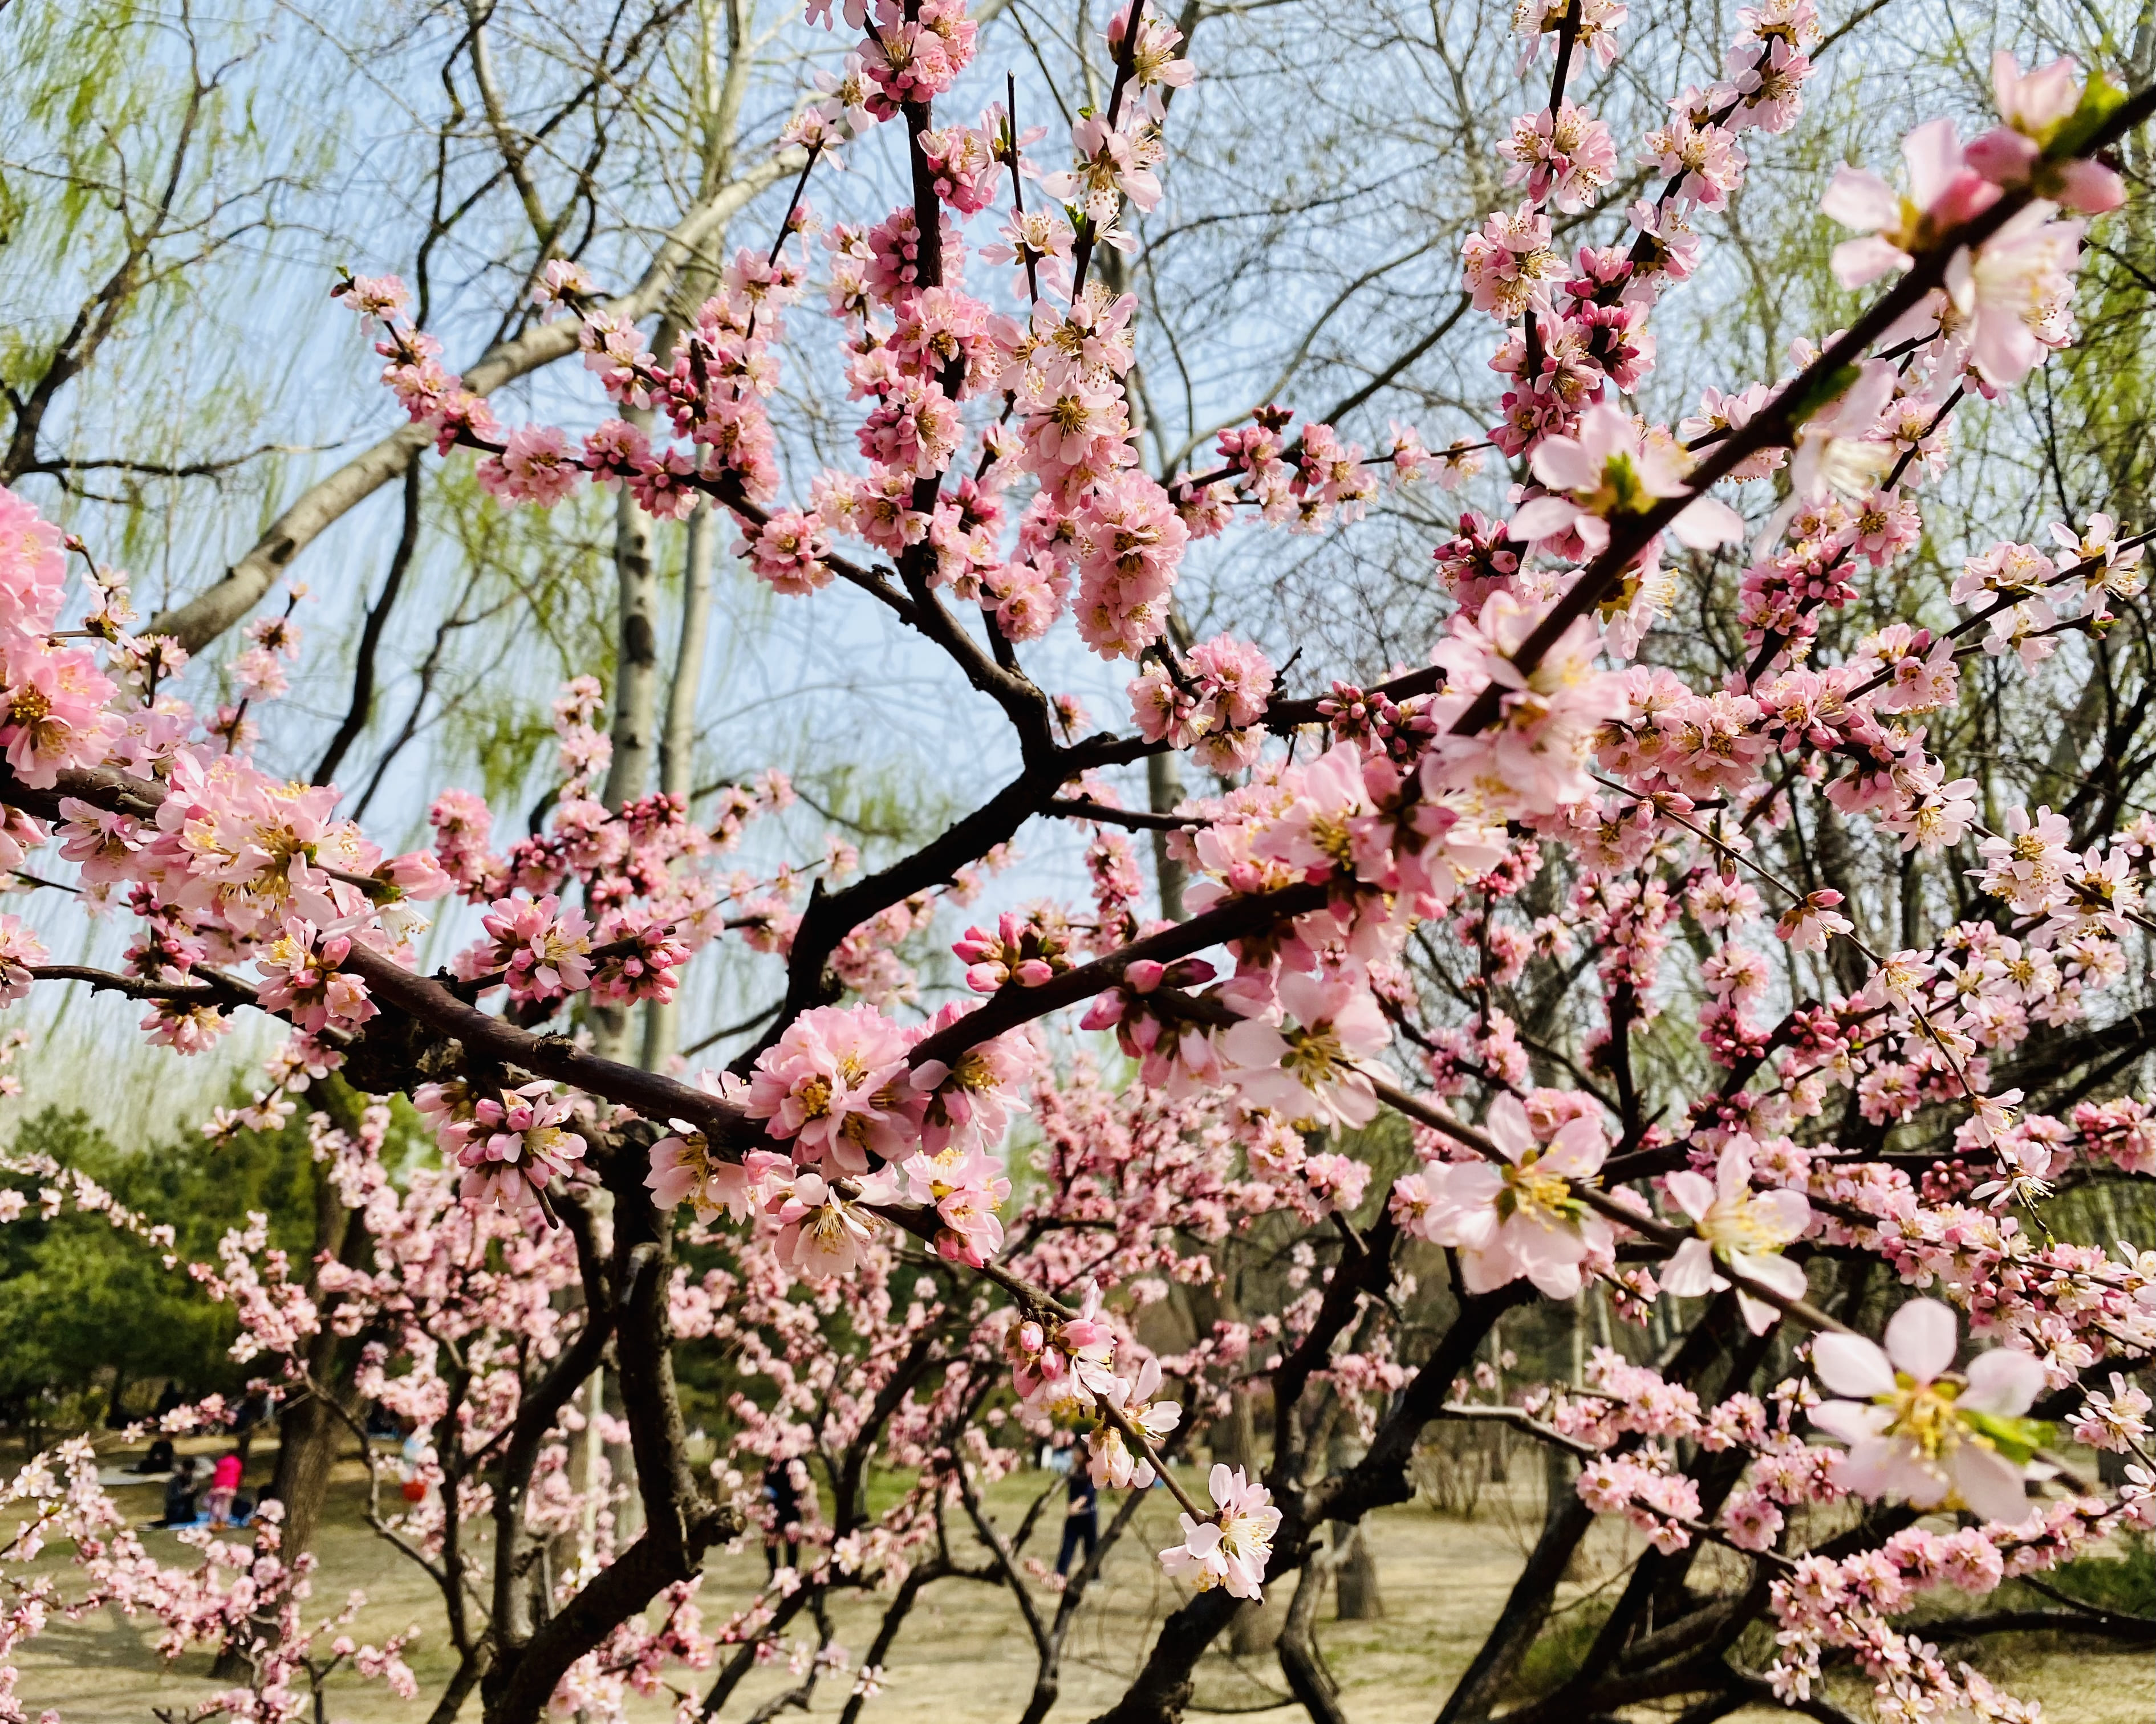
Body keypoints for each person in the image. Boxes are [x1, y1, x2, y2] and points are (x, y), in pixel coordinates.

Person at [1054, 1469, 1098, 1579]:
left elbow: (1089, 1492)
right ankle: (1060, 1575)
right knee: (1067, 1546)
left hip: (1088, 1516)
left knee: (1090, 1548)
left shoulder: (1092, 1469)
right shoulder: (1073, 1470)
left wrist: (1077, 1505)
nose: (1074, 1454)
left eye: (1077, 1451)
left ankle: (1094, 1577)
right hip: (1074, 1517)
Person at [762, 1459, 801, 1575]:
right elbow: (766, 1482)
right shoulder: (772, 1459)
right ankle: (774, 1572)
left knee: (792, 1540)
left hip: (793, 1505)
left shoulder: (797, 1459)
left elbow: (807, 1482)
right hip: (774, 1506)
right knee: (771, 1540)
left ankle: (791, 1572)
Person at [156, 1457, 200, 1528]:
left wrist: (195, 1491)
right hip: (175, 1511)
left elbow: (194, 1496)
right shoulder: (175, 1481)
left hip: (187, 1511)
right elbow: (172, 1498)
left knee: (192, 1517)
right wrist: (185, 1492)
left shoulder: (191, 1479)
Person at [202, 1450, 243, 1528]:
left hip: (219, 1487)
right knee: (226, 1505)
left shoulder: (220, 1462)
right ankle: (223, 1520)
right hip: (230, 1487)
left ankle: (215, 1519)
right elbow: (238, 1475)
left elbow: (216, 1474)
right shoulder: (237, 1463)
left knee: (217, 1503)